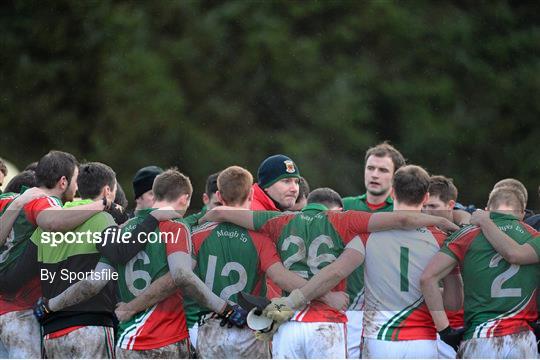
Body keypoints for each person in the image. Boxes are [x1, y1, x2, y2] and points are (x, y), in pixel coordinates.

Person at [203, 182, 458, 358]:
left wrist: (197, 222)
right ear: (335, 208)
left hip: (288, 325)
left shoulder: (277, 219)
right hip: (326, 324)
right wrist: (441, 219)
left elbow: (219, 213)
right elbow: (402, 218)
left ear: (308, 204)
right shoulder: (343, 219)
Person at [41, 169, 247, 358]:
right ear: (185, 199)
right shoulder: (175, 226)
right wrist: (225, 309)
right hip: (166, 339)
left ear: (155, 195)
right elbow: (181, 275)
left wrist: (52, 305)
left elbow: (93, 283)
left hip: (127, 342)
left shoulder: (121, 229)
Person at [0, 150, 109, 358]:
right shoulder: (44, 201)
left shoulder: (7, 199)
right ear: (62, 182)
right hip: (21, 313)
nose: (77, 188)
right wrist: (101, 205)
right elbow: (52, 222)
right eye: (75, 181)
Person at [421, 187, 538, 358]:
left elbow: (427, 279)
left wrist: (445, 331)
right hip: (522, 339)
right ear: (521, 213)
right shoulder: (534, 236)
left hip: (480, 336)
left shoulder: (465, 236)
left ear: (486, 210)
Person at [342, 141, 406, 357]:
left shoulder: (402, 213)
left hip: (389, 311)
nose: (375, 175)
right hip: (347, 308)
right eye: (370, 168)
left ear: (395, 177)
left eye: (383, 170)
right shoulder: (345, 206)